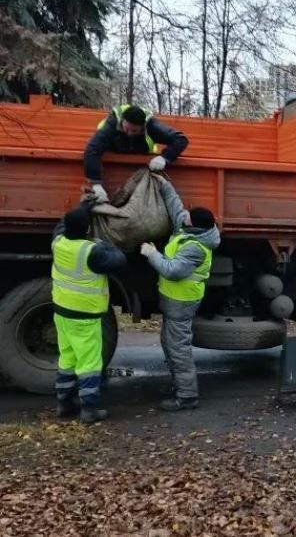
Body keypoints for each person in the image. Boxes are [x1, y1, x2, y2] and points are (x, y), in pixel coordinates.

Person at [140, 178, 219, 411]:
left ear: (194, 224)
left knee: (178, 348)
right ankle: (180, 386)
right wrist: (165, 184)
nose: (184, 215)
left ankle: (187, 396)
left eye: (188, 216)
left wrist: (152, 254)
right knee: (169, 343)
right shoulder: (190, 229)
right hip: (173, 301)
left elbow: (172, 271)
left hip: (181, 303)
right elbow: (176, 206)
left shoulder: (196, 247)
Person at [52, 203, 126, 423]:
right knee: (89, 363)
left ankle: (64, 403)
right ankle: (89, 409)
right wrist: (103, 242)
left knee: (67, 357)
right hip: (84, 316)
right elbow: (120, 260)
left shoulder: (58, 243)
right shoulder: (93, 251)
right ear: (87, 230)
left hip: (62, 312)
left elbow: (59, 227)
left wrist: (83, 205)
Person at [84, 104, 189, 203]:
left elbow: (180, 140)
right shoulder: (111, 124)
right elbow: (92, 149)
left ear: (143, 127)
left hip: (143, 166)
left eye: (134, 131)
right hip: (114, 151)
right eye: (126, 129)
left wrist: (165, 158)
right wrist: (96, 184)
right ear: (122, 121)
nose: (129, 133)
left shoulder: (151, 126)